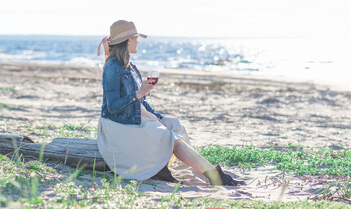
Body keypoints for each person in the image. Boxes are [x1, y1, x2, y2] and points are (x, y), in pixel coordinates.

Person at [96, 20, 245, 186]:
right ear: (128, 41)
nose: (138, 42)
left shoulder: (131, 67)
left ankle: (167, 169)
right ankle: (214, 175)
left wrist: (157, 116)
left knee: (174, 125)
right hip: (117, 126)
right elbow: (113, 107)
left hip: (133, 117)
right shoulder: (112, 68)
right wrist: (138, 93)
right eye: (136, 38)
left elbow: (142, 103)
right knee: (168, 137)